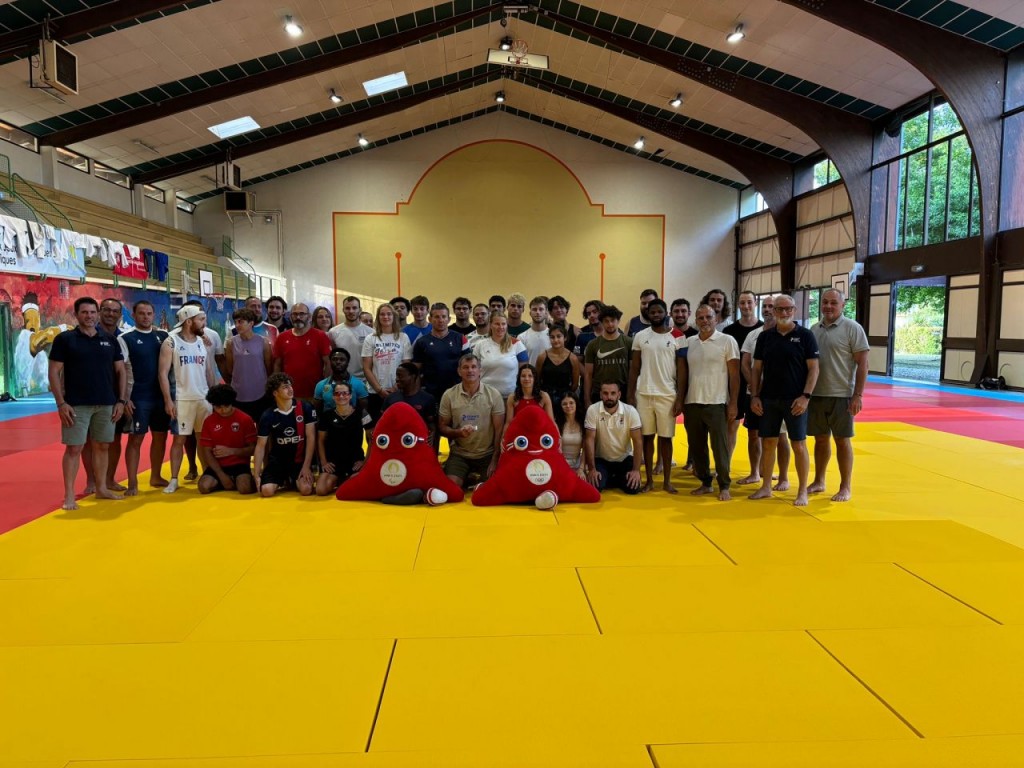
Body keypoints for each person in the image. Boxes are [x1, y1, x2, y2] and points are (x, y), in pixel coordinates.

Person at [47, 297, 127, 510]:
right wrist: (61, 403)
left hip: (106, 403)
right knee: (74, 448)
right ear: (77, 314)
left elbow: (121, 371)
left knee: (102, 446)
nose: (89, 316)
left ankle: (101, 488)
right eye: (85, 312)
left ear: (97, 314)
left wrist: (121, 400)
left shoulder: (109, 339)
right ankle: (70, 495)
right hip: (76, 404)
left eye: (93, 312)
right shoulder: (65, 339)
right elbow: (54, 372)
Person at [749, 294, 820, 506]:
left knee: (798, 444)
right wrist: (754, 396)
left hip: (795, 399)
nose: (784, 313)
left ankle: (801, 491)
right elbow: (757, 369)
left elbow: (814, 368)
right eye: (779, 309)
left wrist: (806, 396)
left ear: (794, 310)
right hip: (769, 398)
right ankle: (766, 487)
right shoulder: (765, 337)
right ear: (773, 311)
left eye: (788, 309)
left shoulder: (806, 336)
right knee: (768, 442)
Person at [808, 288, 869, 502]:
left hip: (842, 394)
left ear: (843, 305)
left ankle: (845, 486)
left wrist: (857, 395)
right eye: (825, 302)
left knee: (842, 441)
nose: (828, 306)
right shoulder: (814, 330)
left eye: (833, 302)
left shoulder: (853, 329)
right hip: (816, 394)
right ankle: (819, 480)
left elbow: (863, 364)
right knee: (820, 439)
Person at [677, 304, 740, 501]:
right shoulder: (689, 343)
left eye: (709, 317)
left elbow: (735, 375)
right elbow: (683, 374)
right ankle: (705, 482)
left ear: (716, 318)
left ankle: (724, 485)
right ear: (696, 320)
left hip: (717, 402)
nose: (705, 321)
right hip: (692, 402)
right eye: (701, 318)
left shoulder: (727, 341)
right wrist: (681, 400)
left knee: (719, 446)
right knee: (696, 446)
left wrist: (733, 403)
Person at [627, 299, 684, 493]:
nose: (656, 315)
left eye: (659, 311)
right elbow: (634, 368)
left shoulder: (678, 335)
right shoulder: (640, 336)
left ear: (666, 313)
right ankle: (649, 480)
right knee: (646, 437)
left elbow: (682, 369)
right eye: (652, 312)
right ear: (647, 314)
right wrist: (631, 395)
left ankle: (667, 481)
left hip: (668, 395)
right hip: (643, 394)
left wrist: (680, 398)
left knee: (666, 438)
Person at [159, 305, 215, 494]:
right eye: (201, 319)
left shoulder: (202, 341)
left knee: (204, 440)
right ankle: (174, 479)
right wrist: (168, 400)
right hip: (181, 398)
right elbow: (162, 373)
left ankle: (207, 473)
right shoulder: (171, 342)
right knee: (179, 440)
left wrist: (213, 395)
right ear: (189, 321)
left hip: (203, 397)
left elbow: (208, 370)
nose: (204, 323)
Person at [118, 300, 171, 494]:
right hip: (138, 397)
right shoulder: (126, 338)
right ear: (133, 315)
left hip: (160, 396)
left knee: (161, 436)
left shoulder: (163, 336)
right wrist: (124, 398)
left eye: (149, 313)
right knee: (136, 439)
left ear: (153, 314)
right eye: (141, 313)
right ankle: (132, 482)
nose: (146, 317)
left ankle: (155, 476)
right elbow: (121, 370)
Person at [739, 295, 791, 487]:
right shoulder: (754, 335)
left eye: (772, 306)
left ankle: (784, 476)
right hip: (754, 393)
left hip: (778, 395)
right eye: (766, 306)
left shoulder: (789, 334)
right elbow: (745, 363)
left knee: (781, 436)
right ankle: (755, 472)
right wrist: (753, 385)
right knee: (753, 433)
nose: (769, 309)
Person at [438, 353, 505, 489]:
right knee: (451, 488)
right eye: (466, 367)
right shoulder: (449, 395)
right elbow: (442, 427)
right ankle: (467, 476)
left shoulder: (494, 395)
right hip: (459, 454)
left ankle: (471, 478)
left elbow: (500, 430)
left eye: (474, 367)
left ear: (480, 371)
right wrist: (458, 433)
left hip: (487, 454)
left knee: (491, 489)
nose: (470, 371)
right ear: (459, 371)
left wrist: (495, 459)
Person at [253, 373, 315, 496]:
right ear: (275, 393)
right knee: (266, 491)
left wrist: (307, 466)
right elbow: (260, 446)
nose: (290, 389)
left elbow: (311, 437)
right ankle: (286, 479)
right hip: (277, 462)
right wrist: (256, 474)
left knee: (306, 490)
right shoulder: (268, 415)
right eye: (285, 387)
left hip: (299, 462)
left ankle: (292, 480)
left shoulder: (305, 408)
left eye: (290, 386)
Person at [723, 290, 763, 464]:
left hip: (758, 386)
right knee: (731, 425)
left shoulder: (764, 329)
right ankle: (725, 465)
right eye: (742, 303)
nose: (745, 306)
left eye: (749, 302)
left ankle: (759, 469)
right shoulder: (729, 330)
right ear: (738, 306)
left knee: (756, 431)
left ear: (755, 304)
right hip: (735, 384)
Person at [583, 381, 643, 494]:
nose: (609, 397)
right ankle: (614, 478)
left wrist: (636, 470)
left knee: (633, 489)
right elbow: (589, 439)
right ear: (600, 394)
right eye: (605, 393)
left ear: (619, 395)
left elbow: (638, 441)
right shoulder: (592, 410)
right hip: (601, 459)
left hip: (624, 459)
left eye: (613, 393)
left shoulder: (630, 411)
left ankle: (611, 479)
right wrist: (592, 469)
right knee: (596, 486)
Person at [361, 302, 413, 432]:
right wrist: (379, 390)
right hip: (375, 392)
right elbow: (366, 368)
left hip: (398, 391)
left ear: (394, 316)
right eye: (382, 314)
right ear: (378, 318)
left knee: (397, 429)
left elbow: (406, 366)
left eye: (389, 314)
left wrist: (397, 386)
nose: (386, 317)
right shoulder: (371, 338)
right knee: (375, 430)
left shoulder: (403, 337)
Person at [197, 384, 256, 495]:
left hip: (239, 464)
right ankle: (225, 482)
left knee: (245, 488)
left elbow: (253, 449)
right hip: (218, 466)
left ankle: (240, 479)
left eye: (225, 406)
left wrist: (232, 451)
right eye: (218, 407)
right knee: (203, 487)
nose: (222, 410)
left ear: (231, 402)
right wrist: (221, 475)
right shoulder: (209, 421)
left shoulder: (245, 419)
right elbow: (206, 451)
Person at [272, 303, 332, 402]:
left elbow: (328, 364)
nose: (298, 317)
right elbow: (277, 365)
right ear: (290, 317)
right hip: (289, 394)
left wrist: (324, 387)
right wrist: (278, 387)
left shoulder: (320, 336)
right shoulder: (282, 337)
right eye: (294, 314)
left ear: (309, 316)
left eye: (301, 314)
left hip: (314, 393)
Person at [315, 380, 366, 496]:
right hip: (334, 463)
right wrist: (324, 462)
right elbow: (320, 440)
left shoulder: (362, 413)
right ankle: (340, 479)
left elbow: (372, 438)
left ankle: (346, 480)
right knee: (321, 490)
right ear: (333, 396)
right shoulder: (326, 416)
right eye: (337, 393)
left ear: (350, 395)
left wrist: (365, 461)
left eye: (345, 393)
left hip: (355, 462)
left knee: (357, 488)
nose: (341, 396)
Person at [97, 297, 127, 492]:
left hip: (115, 395)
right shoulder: (88, 334)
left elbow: (125, 370)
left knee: (114, 439)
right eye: (106, 310)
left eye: (115, 311)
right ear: (100, 311)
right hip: (87, 394)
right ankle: (93, 480)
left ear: (120, 315)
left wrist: (124, 398)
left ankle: (109, 478)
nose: (110, 314)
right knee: (88, 442)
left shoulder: (123, 337)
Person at [412, 303, 469, 405]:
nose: (441, 320)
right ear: (430, 319)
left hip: (457, 391)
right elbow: (415, 370)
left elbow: (469, 365)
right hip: (431, 393)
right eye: (437, 317)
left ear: (449, 319)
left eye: (443, 316)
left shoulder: (460, 338)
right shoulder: (421, 342)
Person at [224, 307, 272, 422]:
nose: (237, 325)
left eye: (240, 322)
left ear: (251, 323)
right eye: (235, 322)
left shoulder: (263, 342)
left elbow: (268, 367)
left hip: (260, 392)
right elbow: (230, 369)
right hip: (239, 393)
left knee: (262, 427)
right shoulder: (231, 343)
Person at [583, 305, 632, 408]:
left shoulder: (628, 342)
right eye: (606, 321)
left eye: (613, 320)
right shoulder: (592, 344)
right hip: (599, 394)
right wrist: (587, 398)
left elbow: (633, 372)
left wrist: (631, 394)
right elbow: (588, 374)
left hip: (622, 393)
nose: (610, 324)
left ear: (618, 321)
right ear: (601, 322)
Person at [475, 310, 529, 398]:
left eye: (503, 324)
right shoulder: (480, 345)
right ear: (490, 325)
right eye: (497, 324)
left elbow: (524, 371)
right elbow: (475, 372)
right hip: (485, 396)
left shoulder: (517, 344)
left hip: (510, 397)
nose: (501, 327)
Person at [383, 362, 437, 441]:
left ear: (413, 376)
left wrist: (433, 434)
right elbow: (383, 423)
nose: (397, 379)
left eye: (400, 376)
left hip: (417, 445)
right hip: (395, 443)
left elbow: (431, 425)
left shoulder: (428, 399)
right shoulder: (390, 398)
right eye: (397, 375)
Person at [328, 296, 373, 384]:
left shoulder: (371, 332)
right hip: (341, 381)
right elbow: (332, 359)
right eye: (347, 308)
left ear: (359, 310)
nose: (351, 311)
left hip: (365, 381)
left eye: (354, 308)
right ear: (343, 310)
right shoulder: (333, 332)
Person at [503, 364, 555, 440]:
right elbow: (508, 423)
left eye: (530, 376)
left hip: (539, 437)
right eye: (523, 376)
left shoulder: (544, 396)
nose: (526, 378)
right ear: (519, 379)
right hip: (519, 438)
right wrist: (503, 439)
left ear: (534, 378)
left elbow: (551, 422)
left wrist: (558, 439)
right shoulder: (513, 398)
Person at [536, 325, 581, 408]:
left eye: (559, 336)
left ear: (565, 338)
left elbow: (575, 384)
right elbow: (537, 379)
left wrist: (566, 396)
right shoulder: (542, 357)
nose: (555, 340)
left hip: (565, 400)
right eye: (552, 337)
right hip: (545, 398)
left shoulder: (573, 358)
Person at [313, 347, 368, 415]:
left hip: (352, 423)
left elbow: (364, 412)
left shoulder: (359, 385)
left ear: (347, 363)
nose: (338, 362)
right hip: (328, 423)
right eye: (335, 359)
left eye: (342, 360)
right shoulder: (321, 385)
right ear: (330, 362)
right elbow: (317, 413)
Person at [555, 390, 587, 478]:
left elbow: (585, 449)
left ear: (576, 404)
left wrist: (581, 469)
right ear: (560, 406)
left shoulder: (583, 422)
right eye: (564, 404)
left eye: (571, 403)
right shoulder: (556, 424)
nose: (568, 406)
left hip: (578, 463)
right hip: (560, 464)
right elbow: (556, 450)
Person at [517, 296, 551, 364]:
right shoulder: (522, 337)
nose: (538, 312)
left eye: (541, 309)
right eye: (534, 309)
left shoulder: (553, 336)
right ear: (530, 313)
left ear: (546, 312)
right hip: (530, 374)